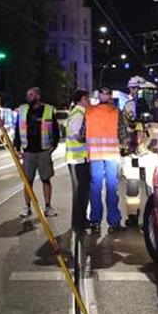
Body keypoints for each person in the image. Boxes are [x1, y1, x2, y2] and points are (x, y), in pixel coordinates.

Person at [13, 86, 60, 220]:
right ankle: (27, 207)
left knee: (46, 179)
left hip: (43, 151)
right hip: (28, 151)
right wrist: (17, 147)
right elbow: (18, 129)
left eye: (31, 95)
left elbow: (55, 130)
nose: (28, 98)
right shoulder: (23, 110)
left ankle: (48, 206)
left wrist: (53, 146)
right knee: (28, 181)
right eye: (28, 95)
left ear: (38, 96)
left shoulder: (48, 110)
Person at [86, 86, 124, 233]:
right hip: (111, 154)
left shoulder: (89, 112)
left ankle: (95, 222)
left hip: (95, 154)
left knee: (95, 188)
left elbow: (83, 133)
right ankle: (114, 223)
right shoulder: (116, 112)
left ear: (99, 95)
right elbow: (122, 133)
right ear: (109, 96)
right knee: (111, 187)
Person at [65, 89, 91, 233]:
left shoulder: (78, 113)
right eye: (87, 99)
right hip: (77, 160)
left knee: (82, 191)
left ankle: (80, 220)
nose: (89, 102)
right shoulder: (78, 115)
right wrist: (91, 138)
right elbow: (78, 137)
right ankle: (79, 222)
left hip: (80, 159)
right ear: (81, 99)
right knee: (81, 192)